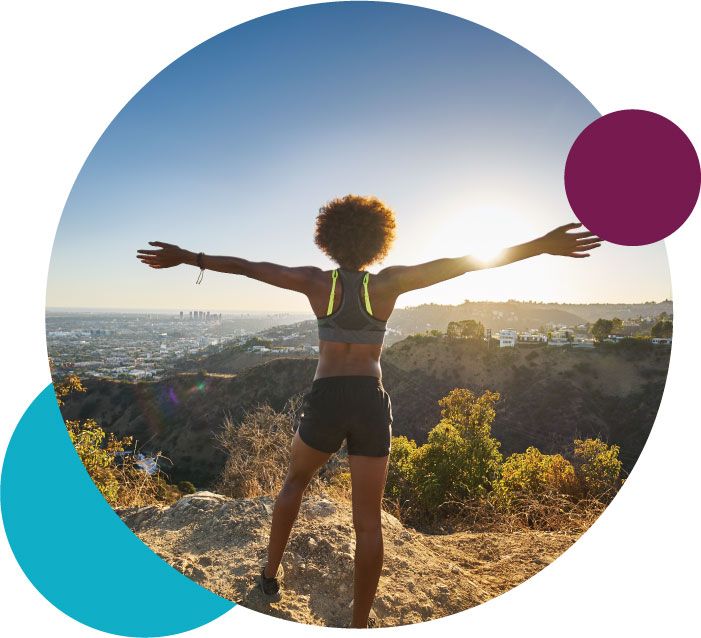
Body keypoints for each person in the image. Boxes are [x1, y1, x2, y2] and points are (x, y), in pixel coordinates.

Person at [136, 194, 601, 627]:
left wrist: (188, 258)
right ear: (380, 240)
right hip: (370, 401)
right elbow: (465, 264)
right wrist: (541, 245)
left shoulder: (315, 282)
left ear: (328, 238)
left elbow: (248, 267)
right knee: (368, 519)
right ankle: (359, 624)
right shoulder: (390, 283)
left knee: (294, 484)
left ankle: (270, 575)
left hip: (327, 398)